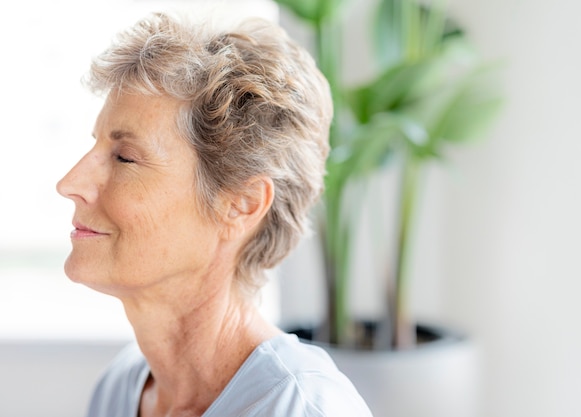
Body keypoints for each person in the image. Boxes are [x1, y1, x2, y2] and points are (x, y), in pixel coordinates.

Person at [56, 9, 372, 417]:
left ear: (241, 204)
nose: (70, 183)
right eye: (96, 147)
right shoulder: (119, 389)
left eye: (125, 158)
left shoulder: (301, 408)